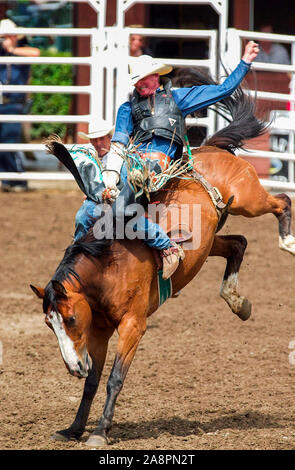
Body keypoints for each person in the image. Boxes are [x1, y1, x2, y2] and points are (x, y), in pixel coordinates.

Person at [100, 41, 260, 279]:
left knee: (122, 211)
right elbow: (119, 143)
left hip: (161, 167)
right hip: (133, 163)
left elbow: (223, 90)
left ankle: (166, 247)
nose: (139, 83)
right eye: (136, 80)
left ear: (156, 77)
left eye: (143, 78)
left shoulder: (178, 99)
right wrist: (110, 177)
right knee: (95, 204)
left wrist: (245, 62)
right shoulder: (127, 108)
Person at [0, 18, 40, 192]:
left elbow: (36, 53)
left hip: (13, 103)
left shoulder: (20, 51)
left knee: (10, 141)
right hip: (3, 103)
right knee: (3, 143)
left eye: (9, 36)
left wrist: (12, 50)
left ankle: (18, 179)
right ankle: (7, 180)